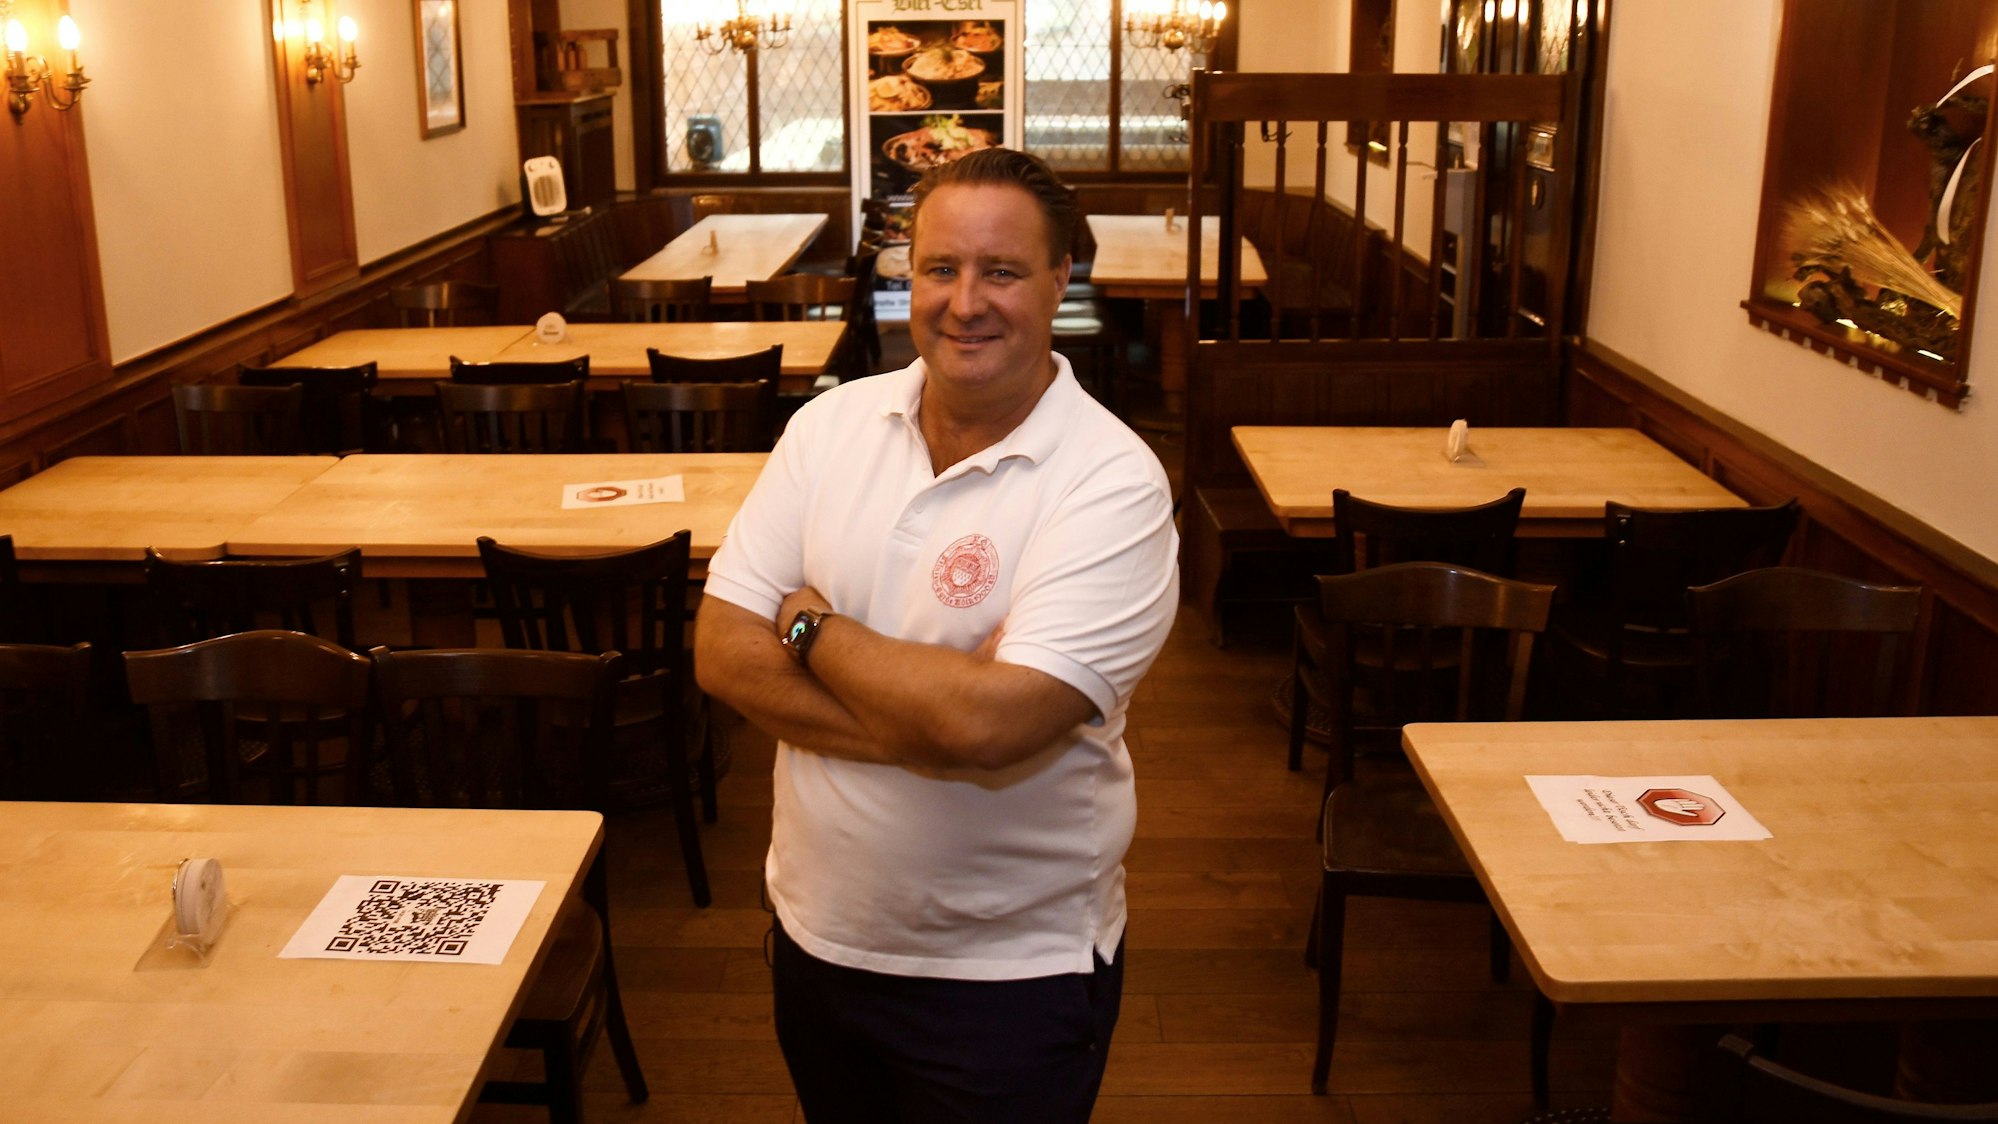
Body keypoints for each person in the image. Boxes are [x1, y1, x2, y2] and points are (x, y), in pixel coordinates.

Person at [694, 148, 1179, 1123]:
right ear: (905, 277)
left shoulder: (1112, 483)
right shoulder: (828, 429)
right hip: (815, 936)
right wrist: (938, 713)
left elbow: (990, 729)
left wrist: (806, 620)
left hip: (1009, 975)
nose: (965, 302)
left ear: (1059, 280)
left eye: (1001, 271)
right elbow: (717, 650)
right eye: (938, 268)